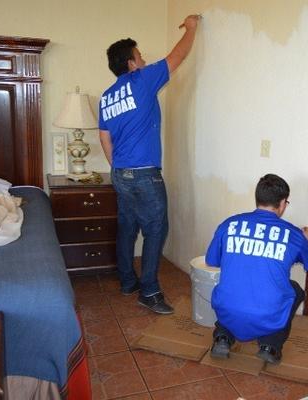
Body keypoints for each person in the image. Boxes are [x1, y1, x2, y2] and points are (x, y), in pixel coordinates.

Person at [98, 15, 201, 314]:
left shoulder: (106, 97)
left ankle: (128, 282)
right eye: (140, 55)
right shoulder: (142, 80)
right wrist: (192, 28)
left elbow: (105, 138)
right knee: (156, 229)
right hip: (145, 174)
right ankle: (150, 291)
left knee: (128, 228)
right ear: (131, 63)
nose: (144, 59)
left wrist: (118, 168)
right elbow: (177, 56)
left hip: (120, 173)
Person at [205, 174, 308, 364]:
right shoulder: (294, 235)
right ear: (283, 203)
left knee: (237, 287)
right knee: (296, 290)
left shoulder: (229, 224)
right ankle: (270, 346)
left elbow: (211, 261)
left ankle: (222, 337)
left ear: (258, 199)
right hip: (266, 312)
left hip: (226, 306)